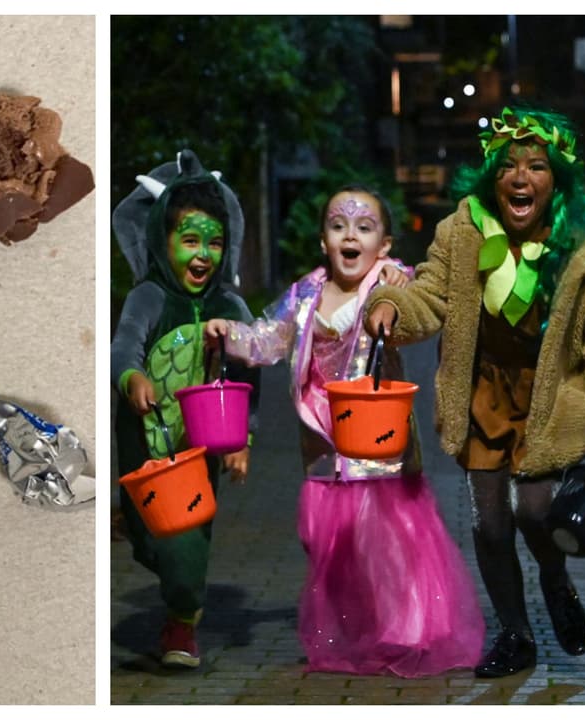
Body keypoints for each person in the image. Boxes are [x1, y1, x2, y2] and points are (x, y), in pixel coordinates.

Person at [364, 105, 585, 678]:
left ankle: (555, 580)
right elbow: (429, 294)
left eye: (536, 166)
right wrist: (392, 306)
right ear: (492, 176)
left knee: (535, 510)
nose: (520, 178)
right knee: (489, 523)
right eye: (508, 166)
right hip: (484, 392)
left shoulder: (581, 248)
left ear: (557, 179)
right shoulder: (463, 232)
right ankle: (515, 633)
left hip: (549, 396)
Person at [204, 185, 485, 677]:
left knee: (391, 542)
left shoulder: (387, 284)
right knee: (328, 542)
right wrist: (230, 333)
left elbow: (419, 303)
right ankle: (356, 628)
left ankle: (405, 628)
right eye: (338, 226)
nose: (350, 235)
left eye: (364, 227)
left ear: (384, 244)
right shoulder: (306, 294)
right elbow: (269, 339)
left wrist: (399, 285)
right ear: (323, 241)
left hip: (378, 443)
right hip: (323, 442)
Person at [111, 149, 260, 669]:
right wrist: (131, 377)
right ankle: (138, 532)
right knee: (150, 538)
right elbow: (124, 347)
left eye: (214, 242)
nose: (203, 254)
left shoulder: (230, 307)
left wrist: (242, 438)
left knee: (187, 542)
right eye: (190, 240)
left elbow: (250, 374)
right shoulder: (149, 298)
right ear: (162, 239)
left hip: (198, 452)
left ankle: (182, 623)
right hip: (144, 447)